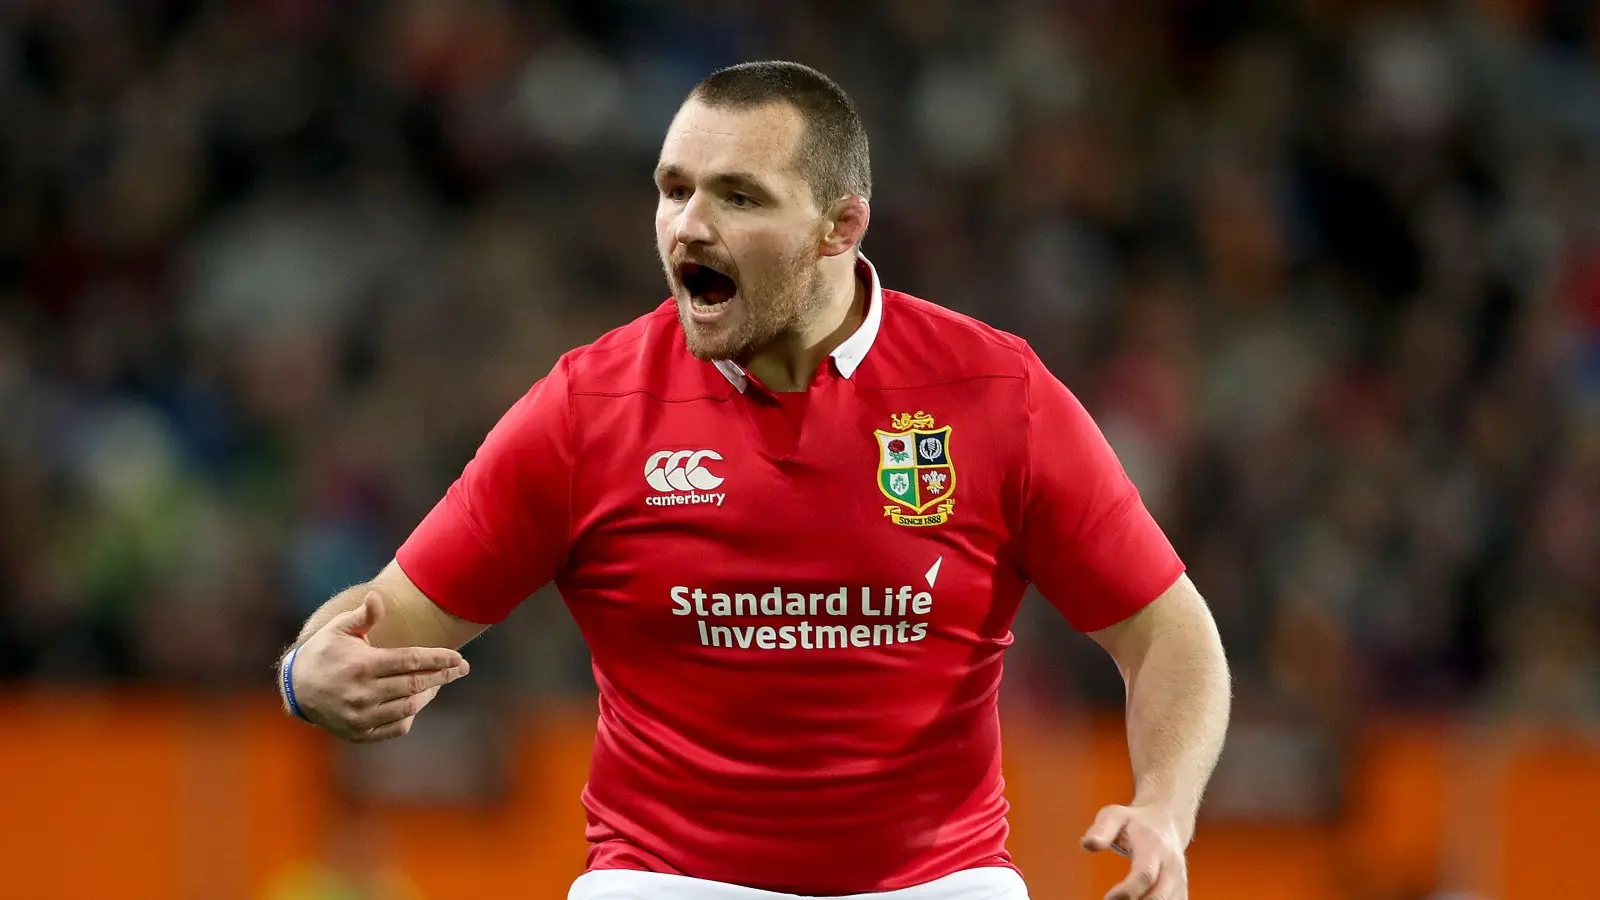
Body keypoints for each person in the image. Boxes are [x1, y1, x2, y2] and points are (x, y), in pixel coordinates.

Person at [274, 60, 1231, 900]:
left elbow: (1168, 634)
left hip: (938, 882)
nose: (689, 227)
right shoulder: (587, 409)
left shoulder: (994, 392)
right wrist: (305, 672)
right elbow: (381, 622)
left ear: (839, 226)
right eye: (674, 189)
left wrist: (1164, 810)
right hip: (666, 881)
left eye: (738, 197)